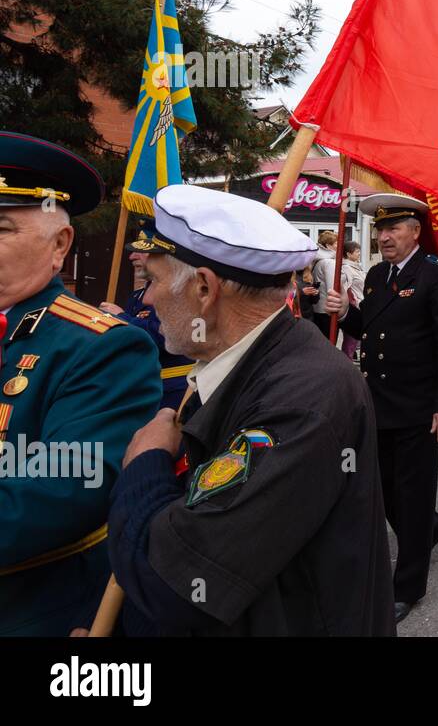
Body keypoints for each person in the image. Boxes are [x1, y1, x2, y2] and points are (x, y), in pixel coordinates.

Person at [108, 184, 393, 635]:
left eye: (154, 281)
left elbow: (175, 586)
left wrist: (145, 464)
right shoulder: (248, 363)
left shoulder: (302, 401)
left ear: (204, 288)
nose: (145, 299)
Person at [0, 133, 162, 636]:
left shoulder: (102, 347)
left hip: (29, 612)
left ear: (59, 246)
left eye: (1, 228)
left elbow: (65, 489)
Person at [325, 193, 438, 623]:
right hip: (380, 405)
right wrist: (345, 312)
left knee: (413, 493)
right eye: (380, 230)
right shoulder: (375, 275)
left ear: (415, 231)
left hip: (419, 408)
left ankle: (408, 586)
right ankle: (432, 529)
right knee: (384, 490)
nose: (384, 236)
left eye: (393, 229)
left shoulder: (437, 275)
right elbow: (371, 326)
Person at [99, 235, 195, 410]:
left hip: (170, 387)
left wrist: (122, 317)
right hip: (143, 383)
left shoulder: (176, 293)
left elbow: (164, 337)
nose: (132, 256)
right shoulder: (138, 295)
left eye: (142, 251)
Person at [309, 230, 338, 336]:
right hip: (327, 310)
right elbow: (332, 288)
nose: (338, 245)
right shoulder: (329, 262)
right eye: (336, 243)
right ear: (328, 246)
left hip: (318, 308)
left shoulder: (318, 260)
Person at [339, 240, 364, 361]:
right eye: (357, 251)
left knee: (356, 342)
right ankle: (345, 366)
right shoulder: (346, 268)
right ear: (348, 254)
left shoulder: (357, 267)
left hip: (362, 306)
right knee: (351, 341)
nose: (359, 253)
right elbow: (345, 288)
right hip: (354, 308)